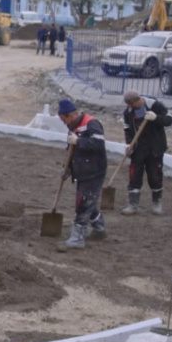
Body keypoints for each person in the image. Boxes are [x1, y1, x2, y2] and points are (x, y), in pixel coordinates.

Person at [56, 99, 107, 250]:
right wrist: (67, 168)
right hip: (82, 170)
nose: (64, 123)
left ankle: (77, 239)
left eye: (63, 119)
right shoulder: (73, 126)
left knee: (83, 203)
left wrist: (79, 141)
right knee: (87, 202)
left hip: (94, 171)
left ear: (70, 116)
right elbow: (71, 149)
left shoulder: (92, 124)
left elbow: (98, 145)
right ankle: (99, 229)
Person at [120, 90, 172, 215]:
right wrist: (129, 144)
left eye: (131, 104)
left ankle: (156, 203)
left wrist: (156, 118)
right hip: (138, 149)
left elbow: (169, 120)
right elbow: (127, 128)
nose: (130, 107)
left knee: (155, 175)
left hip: (155, 148)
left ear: (137, 100)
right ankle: (133, 205)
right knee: (134, 176)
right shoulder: (128, 112)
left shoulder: (155, 106)